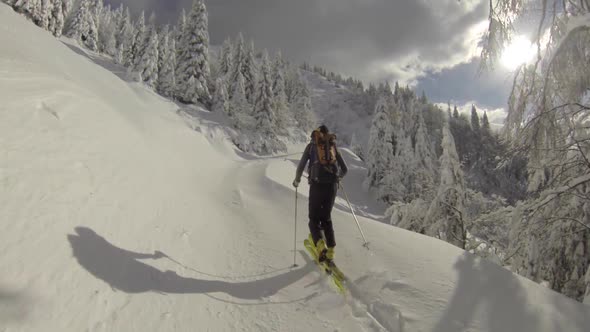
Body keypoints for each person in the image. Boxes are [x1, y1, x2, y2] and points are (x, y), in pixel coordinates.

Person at [293, 125, 348, 263]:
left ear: (316, 134)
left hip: (317, 186)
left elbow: (301, 166)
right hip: (332, 187)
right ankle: (331, 251)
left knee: (313, 218)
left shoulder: (311, 146)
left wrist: (297, 180)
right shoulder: (333, 146)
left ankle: (320, 245)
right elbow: (345, 169)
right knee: (326, 218)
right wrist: (338, 178)